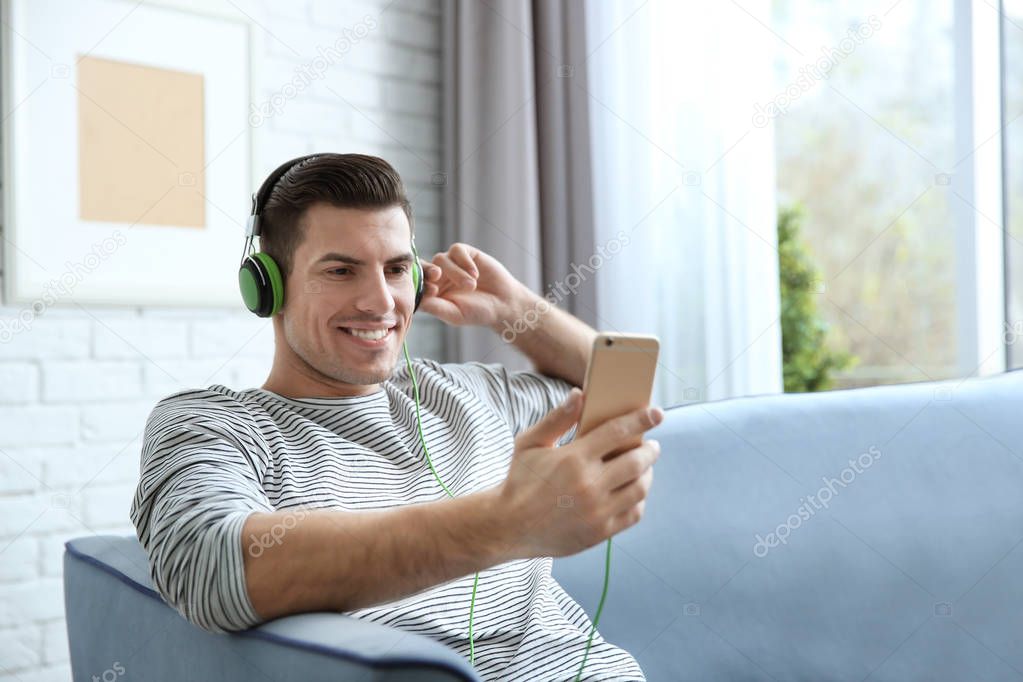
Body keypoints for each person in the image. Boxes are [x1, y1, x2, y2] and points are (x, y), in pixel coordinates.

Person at [129, 153, 662, 681]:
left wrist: (513, 308)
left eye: (397, 269)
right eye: (341, 270)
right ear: (268, 286)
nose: (380, 301)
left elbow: (614, 384)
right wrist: (506, 522)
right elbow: (211, 569)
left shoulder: (458, 391)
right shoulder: (214, 425)